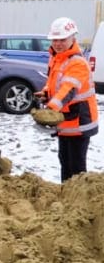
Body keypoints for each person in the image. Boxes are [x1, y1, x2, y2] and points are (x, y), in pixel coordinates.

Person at [39, 17, 98, 182]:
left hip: (79, 120)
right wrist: (45, 93)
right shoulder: (57, 58)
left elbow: (68, 89)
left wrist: (51, 109)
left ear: (73, 38)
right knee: (64, 161)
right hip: (65, 120)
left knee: (76, 166)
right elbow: (53, 84)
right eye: (55, 40)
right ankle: (66, 196)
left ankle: (79, 201)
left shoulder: (77, 62)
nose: (58, 43)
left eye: (62, 39)